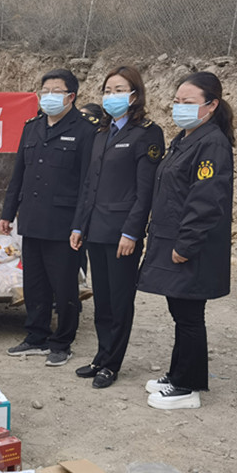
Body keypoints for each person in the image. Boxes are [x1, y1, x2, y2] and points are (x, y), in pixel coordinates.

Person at [138, 71, 235, 410]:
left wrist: (186, 244)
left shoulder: (212, 143)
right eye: (177, 101)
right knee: (180, 310)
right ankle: (178, 374)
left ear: (212, 105)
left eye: (189, 102)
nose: (180, 107)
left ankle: (187, 388)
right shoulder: (185, 138)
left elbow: (206, 200)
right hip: (172, 238)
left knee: (189, 314)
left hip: (191, 245)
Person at [70, 66, 165, 389]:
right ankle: (101, 355)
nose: (112, 96)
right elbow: (89, 185)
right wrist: (79, 225)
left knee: (120, 300)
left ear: (134, 95)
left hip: (122, 232)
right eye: (107, 90)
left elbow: (145, 191)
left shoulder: (147, 134)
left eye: (119, 90)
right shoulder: (101, 133)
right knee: (103, 300)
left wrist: (131, 232)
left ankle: (112, 364)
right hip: (96, 229)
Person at [0, 68, 98, 367]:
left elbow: (88, 183)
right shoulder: (33, 126)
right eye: (45, 91)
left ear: (71, 96)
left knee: (64, 286)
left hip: (63, 223)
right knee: (34, 283)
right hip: (32, 218)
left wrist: (80, 225)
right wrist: (8, 212)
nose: (49, 96)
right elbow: (19, 173)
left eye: (57, 91)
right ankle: (36, 336)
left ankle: (62, 342)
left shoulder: (85, 131)